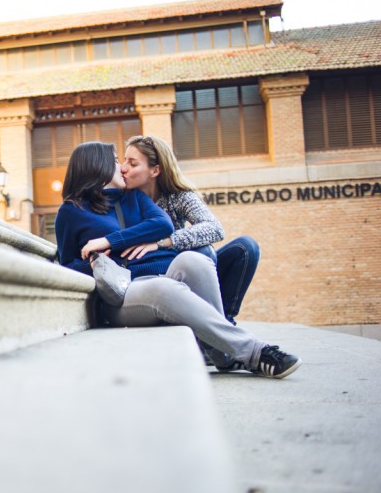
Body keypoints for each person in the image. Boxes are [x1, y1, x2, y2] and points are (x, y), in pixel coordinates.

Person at [55, 141, 301, 379]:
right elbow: (67, 269)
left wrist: (110, 241)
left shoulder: (134, 198)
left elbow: (163, 225)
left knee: (195, 259)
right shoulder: (70, 212)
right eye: (117, 160)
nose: (122, 167)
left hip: (165, 274)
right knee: (164, 288)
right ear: (97, 165)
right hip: (123, 293)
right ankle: (256, 353)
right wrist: (97, 260)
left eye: (127, 162)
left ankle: (222, 353)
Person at [118, 135, 260, 325]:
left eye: (133, 163)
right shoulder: (121, 199)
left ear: (155, 170)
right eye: (124, 160)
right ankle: (212, 325)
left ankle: (224, 320)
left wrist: (161, 243)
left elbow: (214, 228)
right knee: (203, 252)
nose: (123, 168)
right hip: (151, 277)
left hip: (186, 269)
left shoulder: (177, 196)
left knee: (245, 247)